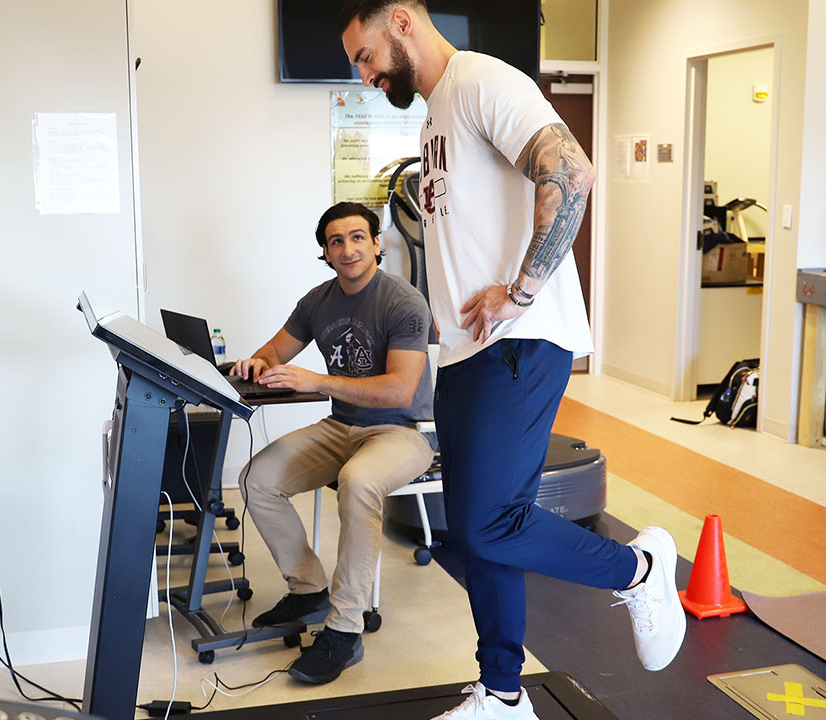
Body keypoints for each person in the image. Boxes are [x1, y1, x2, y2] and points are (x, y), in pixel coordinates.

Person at [338, 3, 687, 718]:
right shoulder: (436, 114)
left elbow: (573, 173)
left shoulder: (481, 82)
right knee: (479, 529)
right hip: (466, 351)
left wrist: (523, 291)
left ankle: (642, 568)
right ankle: (501, 694)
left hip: (518, 344)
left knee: (490, 522)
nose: (364, 73)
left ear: (401, 21)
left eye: (366, 55)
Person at [232, 201, 436, 685]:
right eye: (335, 241)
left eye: (357, 238)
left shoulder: (404, 303)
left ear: (377, 244)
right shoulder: (317, 301)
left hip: (403, 431)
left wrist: (318, 381)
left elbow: (399, 390)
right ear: (324, 252)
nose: (347, 249)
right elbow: (272, 351)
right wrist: (256, 364)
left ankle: (345, 630)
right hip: (342, 427)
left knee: (359, 481)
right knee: (256, 478)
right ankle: (308, 590)